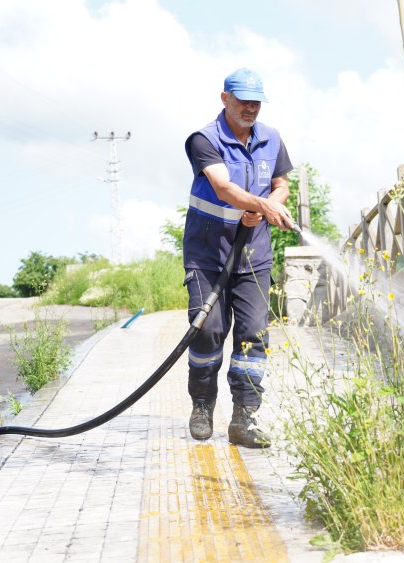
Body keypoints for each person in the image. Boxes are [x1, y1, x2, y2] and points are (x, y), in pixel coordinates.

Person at [181, 67, 294, 448]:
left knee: (252, 336)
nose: (250, 108)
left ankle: (244, 419)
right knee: (208, 329)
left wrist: (265, 207)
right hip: (208, 256)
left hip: (254, 256)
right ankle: (201, 404)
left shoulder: (272, 138)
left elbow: (282, 186)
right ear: (224, 98)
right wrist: (259, 204)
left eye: (256, 101)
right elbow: (223, 187)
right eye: (243, 100)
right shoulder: (204, 139)